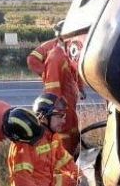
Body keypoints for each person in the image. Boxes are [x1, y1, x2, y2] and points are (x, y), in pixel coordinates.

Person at [7, 93, 87, 186]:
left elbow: (66, 161)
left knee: (74, 183)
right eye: (59, 116)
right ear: (43, 117)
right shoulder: (27, 141)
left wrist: (80, 177)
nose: (64, 120)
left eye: (64, 116)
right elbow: (23, 183)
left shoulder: (53, 136)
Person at [37, 22, 86, 156]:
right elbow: (52, 92)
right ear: (62, 37)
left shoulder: (67, 55)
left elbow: (75, 73)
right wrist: (58, 115)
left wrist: (80, 88)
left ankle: (71, 163)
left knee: (73, 138)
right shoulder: (55, 58)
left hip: (69, 110)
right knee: (64, 143)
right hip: (62, 113)